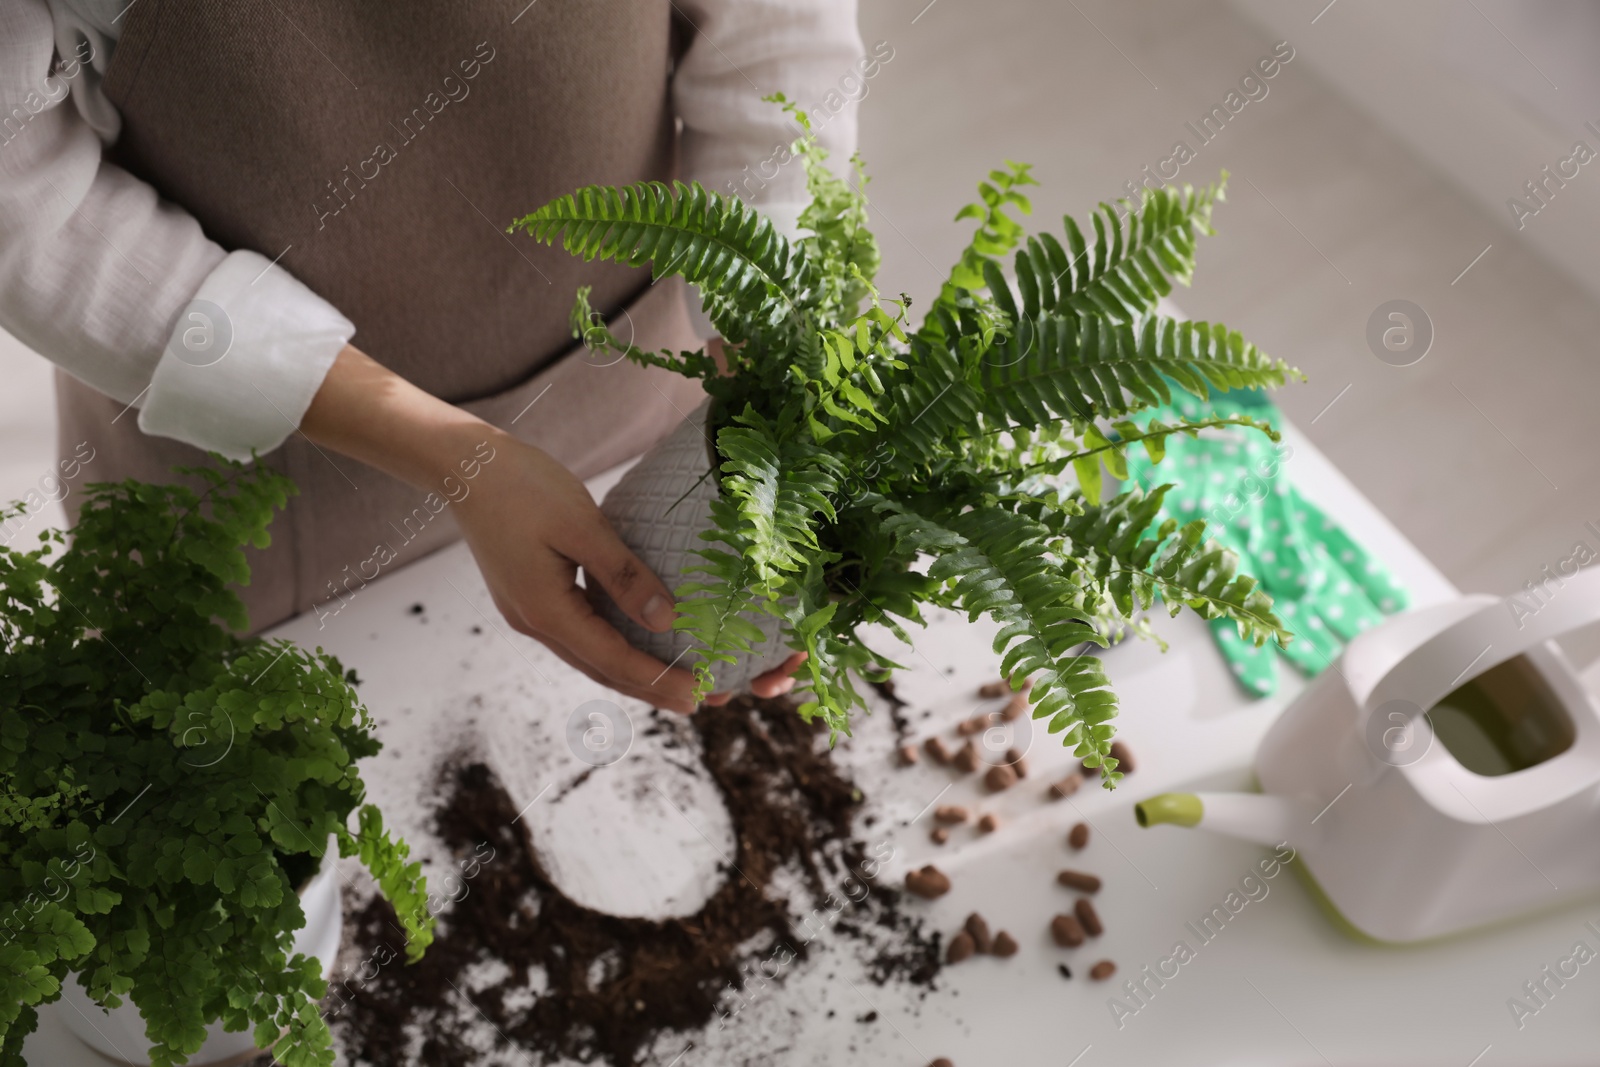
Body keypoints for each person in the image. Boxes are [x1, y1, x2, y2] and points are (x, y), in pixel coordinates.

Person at [0, 0, 867, 713]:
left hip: (643, 382)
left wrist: (771, 322)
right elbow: (30, 207)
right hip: (274, 499)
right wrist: (456, 457)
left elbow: (772, 27)